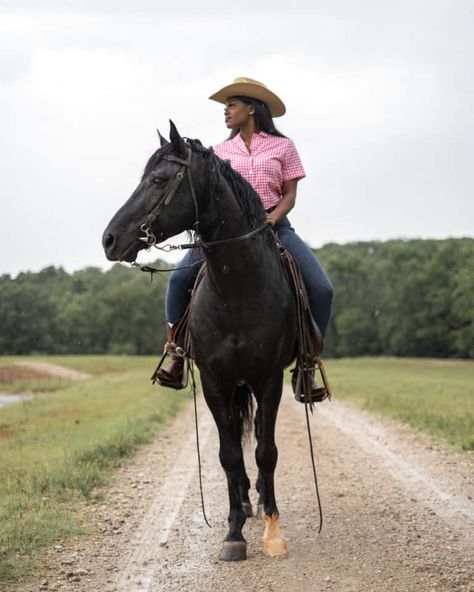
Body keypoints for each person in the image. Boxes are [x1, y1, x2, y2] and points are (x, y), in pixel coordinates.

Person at [157, 77, 333, 398]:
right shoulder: (219, 152)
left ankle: (307, 364)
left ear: (251, 108)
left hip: (274, 226)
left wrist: (272, 218)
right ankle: (176, 355)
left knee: (322, 288)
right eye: (225, 107)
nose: (226, 111)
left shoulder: (284, 147)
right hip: (225, 235)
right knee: (178, 280)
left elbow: (290, 194)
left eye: (232, 105)